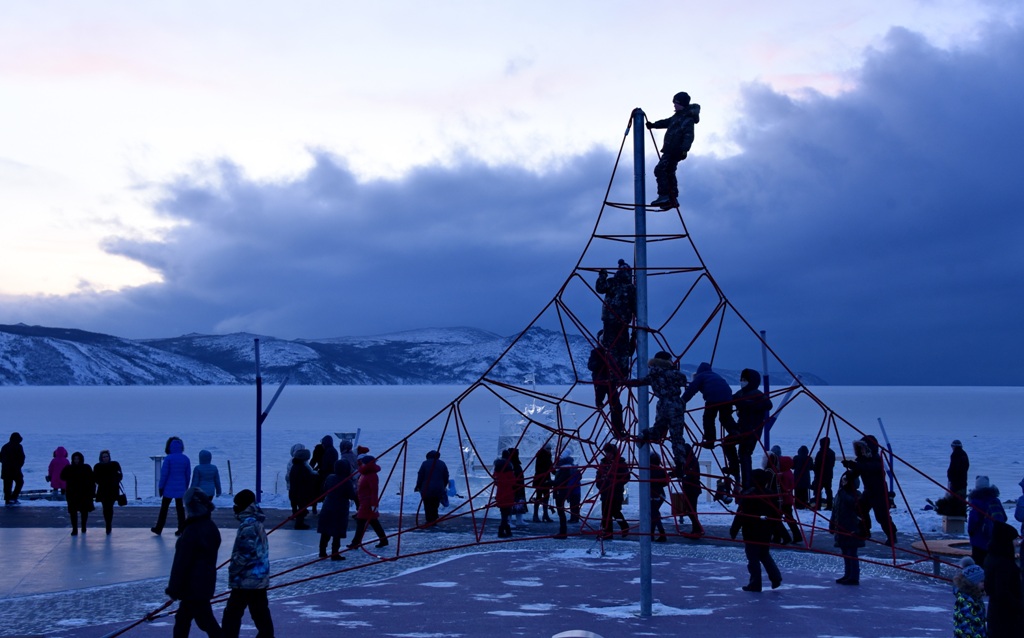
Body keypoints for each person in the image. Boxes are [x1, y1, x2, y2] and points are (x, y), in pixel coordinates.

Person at [166, 487, 223, 638]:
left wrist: (173, 589)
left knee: (205, 622)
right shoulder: (211, 527)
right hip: (204, 583)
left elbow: (181, 563)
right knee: (184, 619)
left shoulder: (191, 531)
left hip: (192, 587)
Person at [222, 490, 274, 638]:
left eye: (236, 505)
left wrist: (233, 569)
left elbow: (245, 552)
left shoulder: (249, 525)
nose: (234, 508)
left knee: (232, 613)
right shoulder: (256, 521)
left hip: (246, 578)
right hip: (258, 576)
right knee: (260, 611)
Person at [631, 352, 688, 472]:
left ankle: (645, 434)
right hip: (674, 404)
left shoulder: (653, 374)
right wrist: (673, 369)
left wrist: (623, 382)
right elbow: (683, 379)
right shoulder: (672, 373)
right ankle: (680, 465)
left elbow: (640, 382)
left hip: (662, 405)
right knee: (676, 436)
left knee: (659, 429)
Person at [729, 469, 783, 592]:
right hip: (765, 531)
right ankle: (775, 577)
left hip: (751, 532)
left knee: (753, 558)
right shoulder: (770, 495)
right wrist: (775, 530)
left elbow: (740, 514)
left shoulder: (749, 495)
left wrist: (734, 530)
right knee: (764, 554)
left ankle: (755, 583)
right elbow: (776, 515)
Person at [645, 91, 701, 210]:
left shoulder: (687, 119)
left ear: (682, 103)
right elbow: (666, 122)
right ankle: (671, 198)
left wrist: (684, 150)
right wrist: (653, 125)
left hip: (674, 150)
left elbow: (689, 136)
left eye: (676, 103)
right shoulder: (677, 116)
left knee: (660, 170)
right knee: (669, 171)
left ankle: (664, 196)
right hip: (670, 149)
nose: (674, 105)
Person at [842, 437, 897, 546]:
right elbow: (857, 471)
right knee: (860, 509)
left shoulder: (876, 460)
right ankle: (865, 531)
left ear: (868, 449)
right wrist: (848, 475)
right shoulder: (862, 461)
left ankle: (892, 535)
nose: (860, 451)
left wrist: (854, 465)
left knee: (882, 516)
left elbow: (867, 468)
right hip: (868, 491)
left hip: (879, 492)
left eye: (862, 448)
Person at [725, 369, 771, 490]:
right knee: (727, 442)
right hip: (741, 428)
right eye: (741, 379)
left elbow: (768, 404)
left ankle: (747, 484)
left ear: (751, 381)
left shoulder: (757, 393)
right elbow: (731, 399)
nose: (742, 382)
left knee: (745, 454)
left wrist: (748, 404)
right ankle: (734, 468)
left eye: (745, 380)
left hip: (752, 430)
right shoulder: (741, 393)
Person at [681, 362, 734, 450]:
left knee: (708, 418)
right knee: (725, 417)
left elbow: (691, 390)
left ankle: (710, 440)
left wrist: (682, 401)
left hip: (713, 397)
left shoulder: (700, 376)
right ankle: (734, 431)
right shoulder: (716, 375)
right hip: (727, 397)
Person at [984, 521, 1023, 636]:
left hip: (997, 615)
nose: (1017, 543)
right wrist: (1019, 606)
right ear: (1006, 541)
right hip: (1007, 618)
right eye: (1014, 540)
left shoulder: (993, 557)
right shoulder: (1004, 563)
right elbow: (1003, 592)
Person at [595, 260, 637, 368]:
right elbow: (636, 305)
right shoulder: (630, 288)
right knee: (622, 348)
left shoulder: (612, 282)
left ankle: (611, 371)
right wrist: (639, 319)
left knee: (610, 347)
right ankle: (621, 370)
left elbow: (600, 288)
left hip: (610, 320)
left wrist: (602, 275)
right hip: (623, 321)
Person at [830, 471, 866, 585]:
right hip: (841, 527)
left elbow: (853, 504)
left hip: (853, 528)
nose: (843, 482)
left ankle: (854, 576)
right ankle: (847, 574)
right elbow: (834, 510)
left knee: (852, 553)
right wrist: (832, 524)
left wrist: (843, 493)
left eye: (845, 480)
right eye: (842, 480)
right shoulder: (839, 494)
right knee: (845, 552)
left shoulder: (856, 495)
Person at [588, 335, 627, 438]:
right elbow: (591, 366)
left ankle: (618, 431)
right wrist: (601, 361)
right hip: (601, 382)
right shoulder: (596, 352)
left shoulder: (613, 352)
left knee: (616, 406)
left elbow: (624, 357)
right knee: (602, 402)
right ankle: (599, 402)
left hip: (611, 382)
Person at [347, 454, 389, 550]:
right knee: (373, 522)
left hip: (367, 503)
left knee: (361, 522)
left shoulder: (371, 475)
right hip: (365, 501)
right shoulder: (366, 474)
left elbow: (374, 490)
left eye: (363, 463)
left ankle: (355, 543)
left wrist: (374, 504)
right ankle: (383, 540)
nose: (361, 465)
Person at [153, 436, 191, 536]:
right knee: (180, 509)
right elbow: (188, 475)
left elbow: (164, 475)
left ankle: (159, 528)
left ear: (169, 447)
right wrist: (186, 487)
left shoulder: (168, 459)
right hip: (181, 488)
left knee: (164, 509)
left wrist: (161, 487)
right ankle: (181, 528)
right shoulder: (185, 459)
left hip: (168, 489)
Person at [318, 459, 356, 559]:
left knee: (325, 530)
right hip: (340, 508)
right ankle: (335, 553)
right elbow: (351, 495)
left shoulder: (330, 477)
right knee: (337, 531)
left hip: (327, 505)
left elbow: (324, 489)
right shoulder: (346, 482)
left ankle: (322, 552)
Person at [967, 475, 1007, 565]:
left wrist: (970, 531)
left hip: (979, 539)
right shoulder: (995, 500)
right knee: (992, 565)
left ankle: (981, 578)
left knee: (979, 563)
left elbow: (973, 520)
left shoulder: (976, 501)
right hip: (995, 538)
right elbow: (1004, 517)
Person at [596, 442, 630, 540]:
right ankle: (607, 532)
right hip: (606, 492)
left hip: (616, 492)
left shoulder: (620, 463)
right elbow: (598, 475)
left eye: (609, 452)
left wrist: (616, 482)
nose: (607, 454)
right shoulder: (603, 463)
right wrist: (600, 484)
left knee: (615, 511)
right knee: (606, 513)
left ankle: (624, 526)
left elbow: (626, 477)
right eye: (606, 452)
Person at [60, 451, 95, 535]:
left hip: (84, 493)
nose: (76, 460)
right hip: (72, 493)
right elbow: (62, 476)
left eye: (78, 459)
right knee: (73, 512)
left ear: (81, 459)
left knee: (84, 511)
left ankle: (83, 527)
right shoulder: (69, 468)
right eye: (75, 459)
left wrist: (92, 492)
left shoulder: (86, 467)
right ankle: (74, 529)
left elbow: (92, 480)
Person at [674, 442, 704, 537]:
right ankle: (696, 528)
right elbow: (683, 472)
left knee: (691, 509)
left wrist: (682, 476)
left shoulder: (692, 461)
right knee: (690, 509)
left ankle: (697, 529)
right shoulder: (687, 460)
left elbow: (691, 475)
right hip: (689, 488)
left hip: (692, 489)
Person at [953, 557, 987, 637]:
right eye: (981, 581)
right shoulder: (966, 601)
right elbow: (964, 626)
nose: (984, 583)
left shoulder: (976, 597)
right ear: (972, 583)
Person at [415, 450, 449, 526]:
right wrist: (443, 486)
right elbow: (446, 476)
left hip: (426, 488)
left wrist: (418, 486)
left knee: (427, 504)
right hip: (438, 488)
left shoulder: (425, 463)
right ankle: (434, 519)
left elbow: (420, 476)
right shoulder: (442, 464)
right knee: (435, 503)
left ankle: (429, 519)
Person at [93, 449, 123, 535]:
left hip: (113, 489)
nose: (105, 458)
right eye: (103, 457)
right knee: (106, 507)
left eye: (106, 456)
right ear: (101, 458)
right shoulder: (97, 466)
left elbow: (120, 475)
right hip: (103, 490)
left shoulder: (115, 464)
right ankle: (108, 524)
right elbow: (95, 478)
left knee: (110, 507)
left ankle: (108, 524)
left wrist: (115, 481)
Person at [287, 447, 318, 530]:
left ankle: (299, 520)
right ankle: (299, 523)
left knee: (301, 506)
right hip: (301, 492)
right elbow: (306, 479)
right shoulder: (302, 468)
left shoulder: (295, 466)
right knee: (302, 506)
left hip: (295, 490)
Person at [551, 452, 574, 539]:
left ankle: (563, 532)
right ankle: (562, 531)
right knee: (560, 512)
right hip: (560, 492)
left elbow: (559, 481)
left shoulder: (565, 470)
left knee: (561, 512)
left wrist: (549, 483)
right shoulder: (564, 469)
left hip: (561, 492)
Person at [493, 456, 516, 538]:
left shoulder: (497, 474)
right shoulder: (509, 473)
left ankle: (507, 530)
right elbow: (513, 482)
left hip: (500, 495)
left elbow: (496, 483)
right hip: (508, 495)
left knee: (504, 514)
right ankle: (502, 531)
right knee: (506, 514)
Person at [649, 452, 670, 542]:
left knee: (654, 514)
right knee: (654, 514)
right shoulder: (660, 470)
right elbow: (665, 482)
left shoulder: (648, 470)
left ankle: (660, 534)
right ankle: (653, 534)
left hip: (654, 495)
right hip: (660, 495)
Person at [1, 432, 25, 506]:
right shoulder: (19, 446)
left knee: (7, 485)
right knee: (20, 482)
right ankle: (13, 497)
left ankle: (8, 499)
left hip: (6, 469)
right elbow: (22, 458)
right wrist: (19, 466)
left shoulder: (5, 446)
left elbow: (0, 458)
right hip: (15, 469)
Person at [813, 437, 836, 510]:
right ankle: (829, 505)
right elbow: (832, 464)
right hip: (829, 474)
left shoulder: (820, 453)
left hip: (820, 474)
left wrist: (814, 469)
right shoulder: (832, 453)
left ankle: (818, 505)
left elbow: (817, 465)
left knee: (818, 490)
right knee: (828, 490)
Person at [531, 445, 553, 523]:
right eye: (548, 449)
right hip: (541, 479)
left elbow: (550, 467)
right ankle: (537, 515)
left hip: (543, 479)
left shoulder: (545, 456)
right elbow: (547, 467)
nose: (549, 450)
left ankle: (544, 515)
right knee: (540, 496)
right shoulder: (543, 456)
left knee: (544, 496)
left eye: (550, 449)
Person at [792, 445, 812, 509]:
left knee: (797, 492)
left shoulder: (796, 458)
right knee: (804, 491)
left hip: (797, 477)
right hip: (806, 477)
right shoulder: (809, 458)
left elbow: (792, 466)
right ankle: (804, 503)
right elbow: (811, 467)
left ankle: (797, 504)